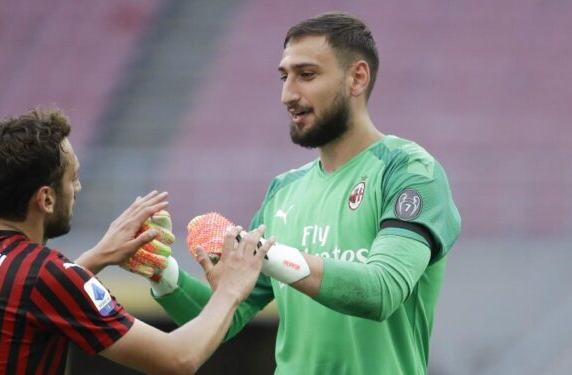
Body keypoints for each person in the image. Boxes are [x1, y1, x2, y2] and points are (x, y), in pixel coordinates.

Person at [134, 12, 462, 374]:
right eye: (284, 76)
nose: (287, 95)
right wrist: (162, 272)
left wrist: (263, 255)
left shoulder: (409, 171)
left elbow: (381, 290)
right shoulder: (283, 190)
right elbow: (227, 315)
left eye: (306, 75)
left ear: (357, 78)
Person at [0, 107, 273, 374]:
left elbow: (15, 302)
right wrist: (230, 289)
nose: (78, 187)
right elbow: (177, 359)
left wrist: (98, 256)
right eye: (73, 178)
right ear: (46, 198)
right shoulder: (47, 276)